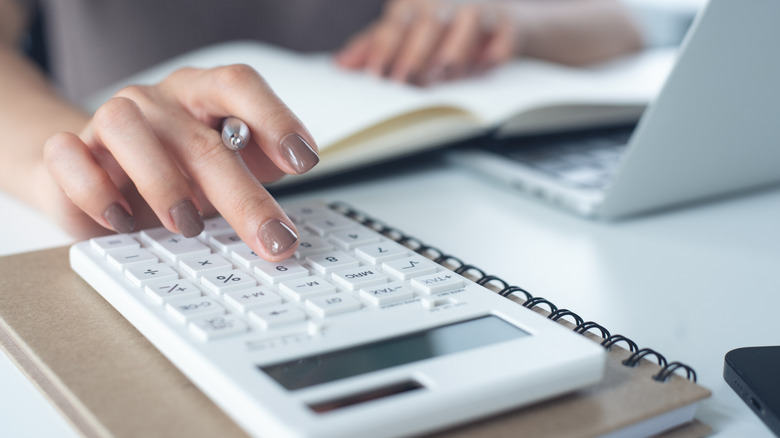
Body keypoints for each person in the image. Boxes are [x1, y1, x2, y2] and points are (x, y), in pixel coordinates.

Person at [0, 0, 646, 261]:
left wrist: (510, 18)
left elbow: (618, 23)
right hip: (153, 192)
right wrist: (62, 157)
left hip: (433, 187)